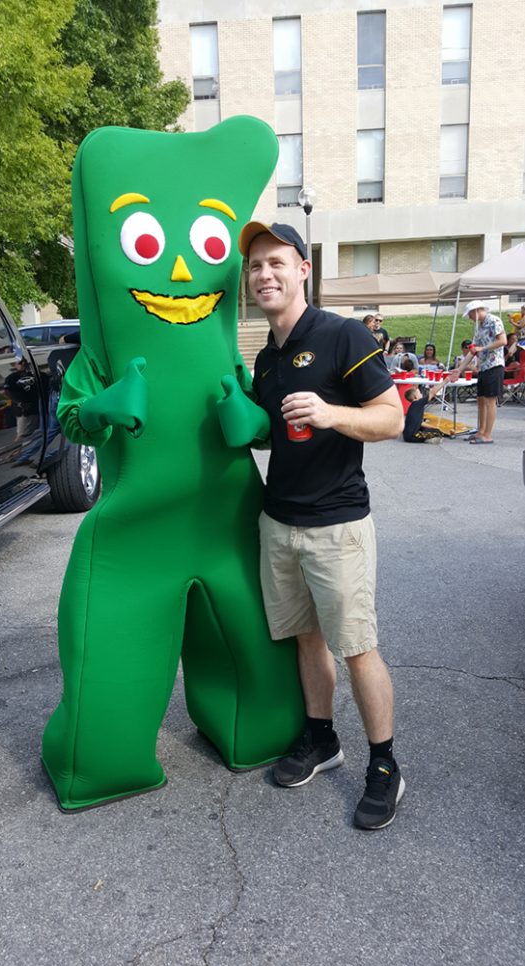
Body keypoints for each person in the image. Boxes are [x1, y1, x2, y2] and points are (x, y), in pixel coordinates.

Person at [238, 220, 405, 831]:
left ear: (303, 269)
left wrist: (332, 412)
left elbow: (392, 418)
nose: (265, 275)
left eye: (277, 263)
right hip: (279, 524)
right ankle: (321, 739)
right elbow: (264, 432)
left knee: (357, 648)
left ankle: (385, 765)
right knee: (306, 640)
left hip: (337, 525)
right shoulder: (267, 356)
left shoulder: (342, 334)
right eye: (256, 266)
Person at [450, 301, 507, 444]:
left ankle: (487, 434)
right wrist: (460, 368)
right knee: (480, 400)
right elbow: (472, 351)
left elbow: (503, 341)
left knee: (490, 401)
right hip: (484, 367)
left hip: (494, 365)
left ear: (476, 311)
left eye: (469, 314)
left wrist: (484, 348)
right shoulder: (479, 326)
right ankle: (481, 431)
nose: (469, 317)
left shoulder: (494, 320)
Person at [402, 377, 448, 443]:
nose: (421, 394)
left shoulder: (413, 406)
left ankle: (428, 437)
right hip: (414, 435)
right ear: (415, 397)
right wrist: (445, 381)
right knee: (439, 432)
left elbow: (418, 422)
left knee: (431, 429)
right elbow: (432, 392)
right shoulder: (418, 403)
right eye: (419, 393)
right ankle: (430, 439)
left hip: (406, 435)